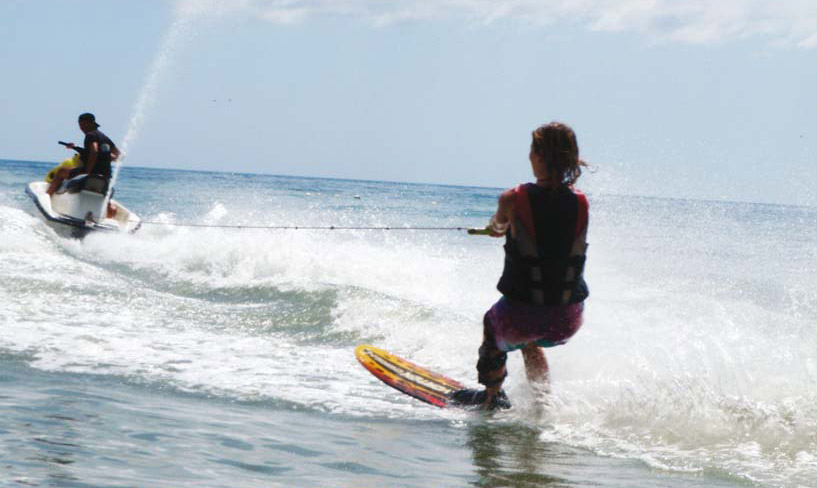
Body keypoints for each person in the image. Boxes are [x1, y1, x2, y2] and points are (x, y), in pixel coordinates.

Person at [460, 122, 590, 410]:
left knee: (494, 326)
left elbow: (499, 225)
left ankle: (491, 398)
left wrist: (496, 228)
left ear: (539, 155)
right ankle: (542, 403)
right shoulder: (582, 202)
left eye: (532, 150)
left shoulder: (513, 198)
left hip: (521, 318)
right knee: (530, 340)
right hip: (567, 321)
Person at [47, 113, 120, 195]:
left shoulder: (90, 135)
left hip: (92, 174)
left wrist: (87, 171)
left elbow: (94, 151)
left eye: (83, 124)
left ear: (91, 123)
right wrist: (74, 147)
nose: (82, 128)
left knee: (61, 171)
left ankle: (48, 195)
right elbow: (118, 155)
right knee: (72, 169)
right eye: (81, 125)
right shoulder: (104, 137)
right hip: (106, 177)